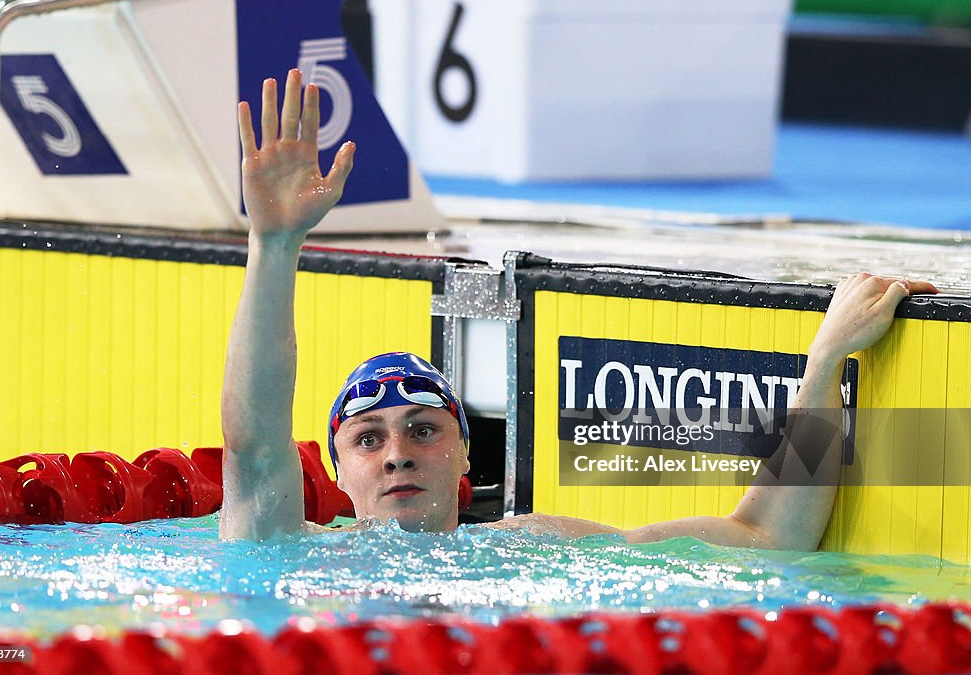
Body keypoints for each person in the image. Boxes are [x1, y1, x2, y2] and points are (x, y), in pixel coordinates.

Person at [218, 70, 938, 549]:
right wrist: (274, 244)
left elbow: (764, 541)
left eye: (424, 428)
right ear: (335, 469)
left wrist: (822, 367)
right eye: (368, 439)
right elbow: (253, 449)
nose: (399, 451)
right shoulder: (299, 552)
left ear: (468, 452)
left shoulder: (531, 547)